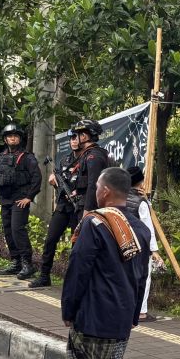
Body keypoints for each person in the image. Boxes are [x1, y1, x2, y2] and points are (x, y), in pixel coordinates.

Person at [61, 167, 152, 359]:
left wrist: (68, 309)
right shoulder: (140, 228)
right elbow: (142, 275)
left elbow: (79, 270)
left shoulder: (96, 223)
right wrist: (135, 313)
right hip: (122, 315)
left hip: (94, 313)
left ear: (104, 192)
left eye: (97, 186)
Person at [30, 118, 110, 288]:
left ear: (88, 136)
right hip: (65, 206)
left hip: (81, 208)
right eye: (74, 135)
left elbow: (93, 185)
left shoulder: (94, 156)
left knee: (77, 246)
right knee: (51, 239)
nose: (76, 138)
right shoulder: (68, 160)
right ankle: (44, 275)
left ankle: (77, 282)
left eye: (79, 134)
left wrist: (88, 210)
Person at [0, 123, 41, 279]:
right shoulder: (1, 157)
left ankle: (28, 264)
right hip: (5, 199)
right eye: (9, 136)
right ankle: (16, 262)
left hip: (20, 200)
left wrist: (29, 197)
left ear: (20, 138)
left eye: (15, 136)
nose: (12, 138)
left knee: (17, 229)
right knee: (8, 230)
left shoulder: (27, 157)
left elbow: (37, 178)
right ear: (5, 139)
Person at [126, 166, 164, 321]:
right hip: (141, 246)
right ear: (141, 182)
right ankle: (141, 312)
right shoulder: (141, 202)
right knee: (144, 277)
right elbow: (148, 229)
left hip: (125, 244)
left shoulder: (120, 197)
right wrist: (154, 251)